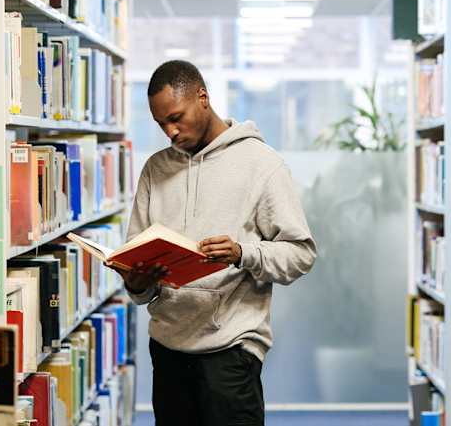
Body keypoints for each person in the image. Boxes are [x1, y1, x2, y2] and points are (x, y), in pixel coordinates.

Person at [114, 60, 316, 426]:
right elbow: (136, 262)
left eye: (176, 117)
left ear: (202, 97)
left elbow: (300, 254)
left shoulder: (262, 164)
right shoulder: (155, 169)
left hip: (231, 352)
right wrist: (137, 284)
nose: (171, 132)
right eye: (161, 124)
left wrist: (243, 253)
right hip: (167, 349)